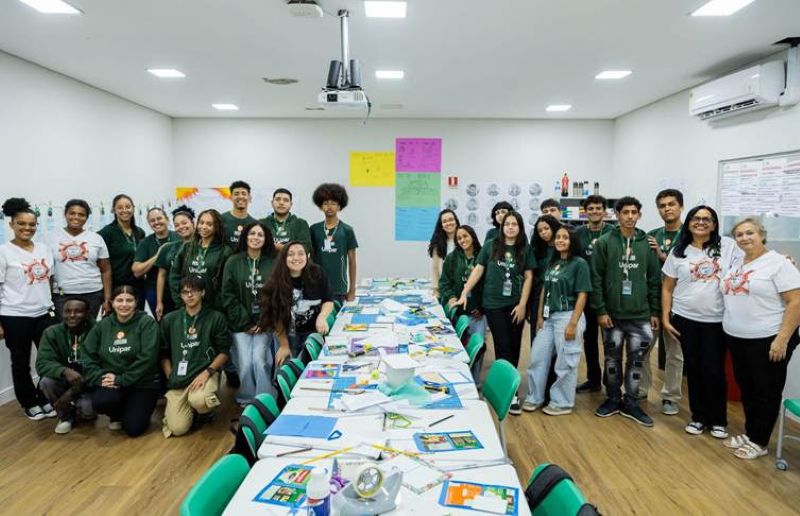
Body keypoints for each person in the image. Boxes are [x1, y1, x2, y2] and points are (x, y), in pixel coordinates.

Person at [719, 218, 800, 460]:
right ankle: (750, 432)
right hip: (738, 337)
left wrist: (782, 339)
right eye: (739, 234)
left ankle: (760, 440)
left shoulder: (779, 263)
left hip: (768, 338)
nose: (744, 238)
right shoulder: (738, 263)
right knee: (748, 388)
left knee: (766, 390)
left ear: (761, 235)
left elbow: (796, 302)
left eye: (750, 233)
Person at [662, 206, 740, 439]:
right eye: (696, 218)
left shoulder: (728, 246)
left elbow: (751, 262)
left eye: (707, 219)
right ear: (688, 223)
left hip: (717, 320)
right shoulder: (679, 251)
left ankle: (719, 420)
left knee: (714, 370)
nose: (701, 222)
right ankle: (698, 417)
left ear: (714, 224)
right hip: (685, 319)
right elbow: (667, 287)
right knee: (694, 370)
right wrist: (666, 316)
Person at [456, 211, 535, 415]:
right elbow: (478, 269)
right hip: (493, 304)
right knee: (503, 344)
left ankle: (509, 384)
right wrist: (464, 292)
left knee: (514, 346)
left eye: (514, 224)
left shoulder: (525, 249)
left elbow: (529, 277)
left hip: (515, 305)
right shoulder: (491, 245)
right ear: (502, 227)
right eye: (507, 224)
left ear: (520, 227)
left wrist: (523, 304)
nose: (510, 227)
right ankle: (510, 393)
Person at [591, 196, 661, 427]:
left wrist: (655, 311)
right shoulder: (604, 242)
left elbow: (654, 279)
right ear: (617, 215)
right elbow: (596, 278)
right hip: (612, 316)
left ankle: (631, 401)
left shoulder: (646, 243)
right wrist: (601, 310)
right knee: (612, 360)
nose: (630, 216)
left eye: (634, 212)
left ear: (639, 214)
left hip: (641, 316)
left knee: (637, 362)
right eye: (625, 212)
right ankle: (613, 398)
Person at [0, 198, 57, 420]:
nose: (27, 228)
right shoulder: (4, 251)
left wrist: (50, 305)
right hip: (15, 315)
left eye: (31, 224)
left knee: (48, 359)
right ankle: (29, 401)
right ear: (11, 224)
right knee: (21, 361)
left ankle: (44, 396)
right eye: (21, 223)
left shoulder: (44, 249)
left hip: (44, 313)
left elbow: (49, 280)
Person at [524, 226, 591, 415]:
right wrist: (539, 317)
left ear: (573, 241)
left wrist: (573, 323)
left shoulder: (579, 264)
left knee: (565, 362)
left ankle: (562, 402)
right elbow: (544, 290)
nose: (560, 240)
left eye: (565, 237)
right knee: (537, 358)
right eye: (558, 237)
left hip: (568, 316)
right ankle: (534, 397)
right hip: (548, 318)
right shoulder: (553, 263)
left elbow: (583, 295)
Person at [83, 285, 160, 437]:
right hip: (112, 382)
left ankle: (134, 411)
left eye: (129, 300)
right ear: (112, 303)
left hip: (142, 384)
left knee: (133, 429)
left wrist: (122, 379)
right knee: (101, 401)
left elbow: (148, 358)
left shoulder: (147, 323)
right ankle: (117, 414)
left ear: (136, 302)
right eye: (119, 300)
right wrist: (99, 377)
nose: (124, 305)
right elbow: (87, 354)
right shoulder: (103, 325)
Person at [160, 276, 230, 437]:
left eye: (194, 291)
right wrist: (170, 375)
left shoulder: (215, 317)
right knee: (177, 429)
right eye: (185, 292)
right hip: (179, 379)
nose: (189, 295)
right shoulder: (170, 319)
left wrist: (207, 372)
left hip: (203, 375)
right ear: (180, 295)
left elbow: (224, 352)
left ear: (203, 293)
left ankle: (204, 412)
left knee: (200, 400)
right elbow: (163, 353)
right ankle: (186, 411)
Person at [221, 221, 279, 404]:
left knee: (260, 361)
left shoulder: (273, 262)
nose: (256, 237)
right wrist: (245, 322)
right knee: (245, 364)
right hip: (240, 324)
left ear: (266, 239)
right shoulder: (233, 262)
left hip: (265, 323)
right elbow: (227, 294)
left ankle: (265, 400)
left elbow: (277, 294)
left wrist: (264, 321)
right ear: (245, 237)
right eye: (252, 233)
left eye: (260, 235)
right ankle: (247, 399)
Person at [641, 189, 685, 415]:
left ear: (681, 206)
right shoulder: (652, 235)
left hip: (679, 305)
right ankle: (641, 389)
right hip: (652, 303)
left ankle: (670, 396)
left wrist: (662, 256)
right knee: (642, 349)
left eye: (671, 204)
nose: (667, 209)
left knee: (674, 353)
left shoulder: (691, 236)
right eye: (662, 205)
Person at [260, 241, 334, 365]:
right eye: (291, 254)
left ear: (308, 256)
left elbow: (328, 300)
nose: (296, 258)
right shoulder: (276, 280)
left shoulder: (317, 273)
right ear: (284, 258)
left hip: (314, 333)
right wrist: (284, 345)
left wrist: (322, 317)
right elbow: (276, 315)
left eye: (300, 254)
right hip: (288, 334)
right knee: (287, 367)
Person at [36, 298, 95, 434]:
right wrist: (64, 370)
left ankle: (77, 406)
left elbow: (102, 367)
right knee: (46, 382)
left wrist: (69, 395)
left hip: (90, 383)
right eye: (67, 311)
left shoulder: (97, 331)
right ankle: (65, 417)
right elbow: (42, 363)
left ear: (87, 313)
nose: (72, 315)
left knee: (88, 413)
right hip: (64, 381)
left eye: (78, 311)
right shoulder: (51, 332)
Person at [47, 199, 112, 320]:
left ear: (87, 217)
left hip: (93, 293)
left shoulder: (96, 238)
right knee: (64, 329)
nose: (76, 217)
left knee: (89, 328)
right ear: (65, 214)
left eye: (81, 214)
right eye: (72, 213)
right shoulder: (51, 238)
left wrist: (107, 299)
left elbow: (106, 269)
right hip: (62, 295)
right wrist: (48, 298)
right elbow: (47, 272)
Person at [574, 195, 613, 393]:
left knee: (610, 341)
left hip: (608, 295)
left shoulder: (614, 232)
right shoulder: (578, 233)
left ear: (604, 211)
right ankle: (593, 379)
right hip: (585, 294)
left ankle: (611, 382)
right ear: (585, 212)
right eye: (591, 208)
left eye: (598, 208)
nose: (595, 211)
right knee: (589, 340)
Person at [438, 225, 485, 383]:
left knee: (477, 349)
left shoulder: (483, 256)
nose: (462, 240)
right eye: (459, 238)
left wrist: (481, 307)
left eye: (465, 236)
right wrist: (451, 297)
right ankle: (460, 380)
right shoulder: (452, 258)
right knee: (459, 349)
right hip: (459, 311)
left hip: (477, 313)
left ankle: (475, 382)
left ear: (472, 236)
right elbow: (444, 283)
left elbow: (489, 285)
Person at [169, 209, 232, 312]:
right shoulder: (187, 247)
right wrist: (180, 301)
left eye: (209, 224)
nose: (204, 227)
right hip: (188, 306)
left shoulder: (224, 251)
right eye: (201, 223)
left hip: (213, 309)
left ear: (217, 227)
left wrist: (218, 305)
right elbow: (174, 276)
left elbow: (227, 284)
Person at [310, 183, 358, 302]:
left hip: (339, 287)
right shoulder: (314, 229)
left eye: (333, 203)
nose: (329, 207)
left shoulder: (347, 230)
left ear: (339, 206)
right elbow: (309, 258)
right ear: (320, 207)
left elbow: (352, 261)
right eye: (326, 203)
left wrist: (352, 289)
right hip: (317, 285)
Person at [98, 194, 146, 308]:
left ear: (133, 208)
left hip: (138, 287)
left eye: (128, 207)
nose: (124, 210)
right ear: (114, 210)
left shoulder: (140, 232)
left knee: (138, 317)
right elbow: (100, 265)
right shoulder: (106, 233)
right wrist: (106, 296)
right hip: (115, 287)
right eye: (120, 207)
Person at [132, 207, 179, 315]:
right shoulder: (145, 243)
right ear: (149, 224)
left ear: (167, 219)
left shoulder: (178, 236)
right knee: (162, 320)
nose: (156, 222)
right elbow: (136, 271)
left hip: (178, 286)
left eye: (159, 218)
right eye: (152, 220)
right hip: (154, 289)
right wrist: (158, 255)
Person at [155, 205, 196, 320]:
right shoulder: (168, 248)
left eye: (184, 223)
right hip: (174, 299)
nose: (181, 227)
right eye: (177, 225)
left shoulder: (202, 246)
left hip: (197, 297)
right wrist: (159, 302)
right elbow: (162, 275)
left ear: (193, 223)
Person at [530, 215, 560, 341]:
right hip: (539, 296)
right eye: (540, 231)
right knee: (538, 335)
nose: (543, 233)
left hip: (559, 296)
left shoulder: (563, 247)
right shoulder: (537, 249)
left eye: (546, 228)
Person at [429, 209, 460, 300]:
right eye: (445, 221)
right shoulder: (438, 244)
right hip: (445, 288)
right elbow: (435, 268)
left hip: (463, 287)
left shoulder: (464, 239)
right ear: (441, 225)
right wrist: (436, 289)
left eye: (451, 220)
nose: (448, 223)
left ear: (456, 221)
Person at [220, 180, 257, 250]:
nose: (240, 196)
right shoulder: (221, 220)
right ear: (231, 197)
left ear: (249, 198)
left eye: (244, 194)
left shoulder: (254, 224)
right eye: (236, 194)